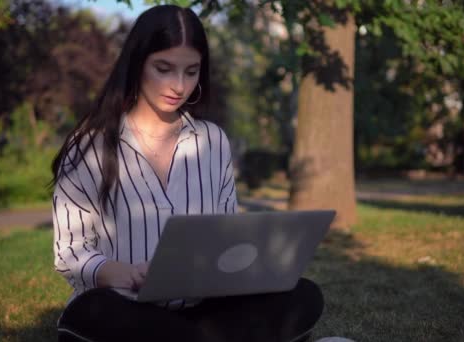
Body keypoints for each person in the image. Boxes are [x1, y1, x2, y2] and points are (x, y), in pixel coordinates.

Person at [50, 5, 324, 342]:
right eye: (163, 68)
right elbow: (70, 252)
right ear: (137, 64)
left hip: (203, 309)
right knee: (93, 314)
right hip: (125, 307)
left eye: (191, 71)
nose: (178, 86)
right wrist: (117, 272)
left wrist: (244, 271)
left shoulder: (213, 141)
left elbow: (224, 235)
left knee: (302, 294)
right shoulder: (91, 145)